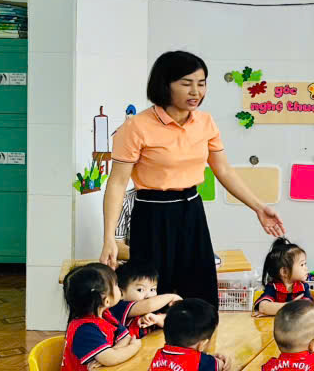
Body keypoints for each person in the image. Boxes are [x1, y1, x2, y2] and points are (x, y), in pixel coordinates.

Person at [101, 51, 286, 306]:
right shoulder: (136, 127)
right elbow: (117, 183)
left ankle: (200, 333)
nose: (195, 92)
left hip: (192, 211)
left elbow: (224, 170)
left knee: (199, 292)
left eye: (201, 83)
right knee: (152, 292)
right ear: (165, 85)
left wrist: (258, 207)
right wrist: (109, 238)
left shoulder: (205, 122)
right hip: (152, 215)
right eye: (186, 84)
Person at [107, 260, 180, 338]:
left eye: (152, 289)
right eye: (140, 290)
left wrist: (158, 319)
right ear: (120, 293)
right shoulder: (118, 306)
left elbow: (172, 325)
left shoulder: (153, 309)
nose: (149, 295)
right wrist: (172, 297)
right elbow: (149, 305)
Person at [254, 238, 310, 316]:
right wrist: (291, 306)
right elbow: (262, 307)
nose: (306, 268)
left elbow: (308, 309)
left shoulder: (303, 287)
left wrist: (273, 310)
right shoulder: (273, 287)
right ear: (284, 272)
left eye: (305, 264)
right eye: (302, 265)